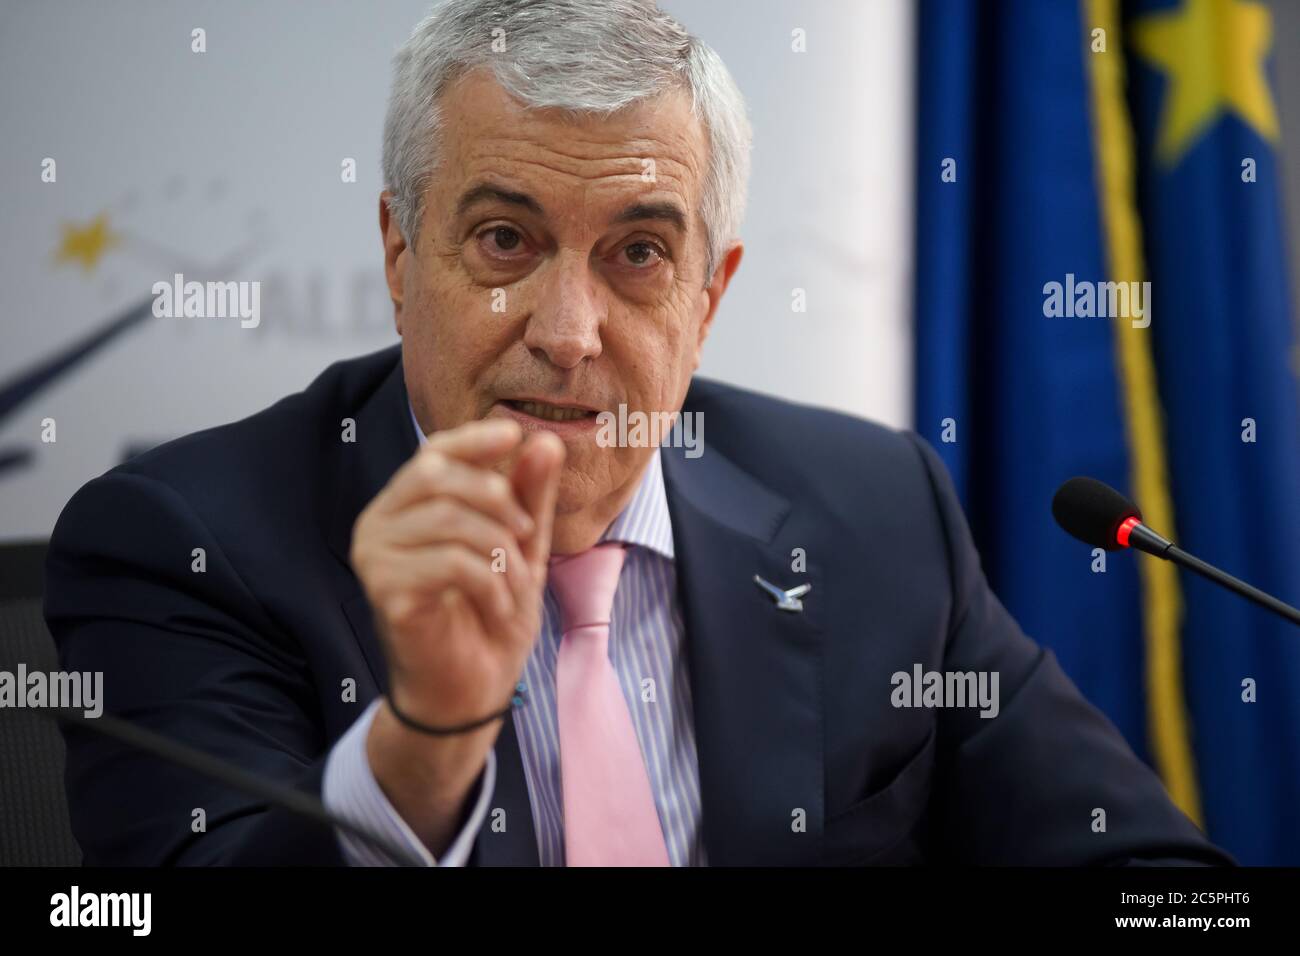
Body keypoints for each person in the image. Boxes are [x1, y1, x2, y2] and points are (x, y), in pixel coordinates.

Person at [44, 0, 1229, 866]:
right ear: (401, 254)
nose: (568, 332)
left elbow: (1141, 871)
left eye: (638, 255)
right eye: (505, 240)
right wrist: (423, 742)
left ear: (707, 297)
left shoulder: (873, 508)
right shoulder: (185, 542)